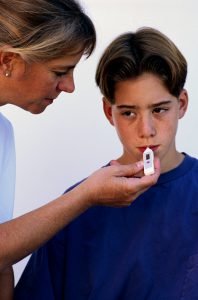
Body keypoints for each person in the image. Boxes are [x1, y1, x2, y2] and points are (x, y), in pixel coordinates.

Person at [14, 26, 197, 300]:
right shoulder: (76, 207)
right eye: (128, 112)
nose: (146, 129)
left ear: (181, 104)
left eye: (159, 109)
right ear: (108, 112)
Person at [0, 1, 161, 299]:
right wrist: (84, 196)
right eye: (60, 71)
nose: (70, 86)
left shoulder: (3, 132)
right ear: (8, 61)